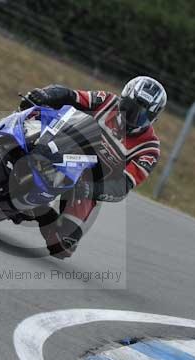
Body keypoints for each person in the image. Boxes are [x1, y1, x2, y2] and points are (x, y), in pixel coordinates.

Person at [18, 76, 167, 259]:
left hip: (85, 181)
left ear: (154, 118)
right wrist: (45, 94)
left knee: (62, 246)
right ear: (123, 97)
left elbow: (123, 186)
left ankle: (40, 210)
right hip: (61, 144)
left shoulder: (149, 149)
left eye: (142, 114)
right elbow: (71, 95)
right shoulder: (106, 101)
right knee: (33, 109)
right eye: (130, 107)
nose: (132, 116)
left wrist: (89, 189)